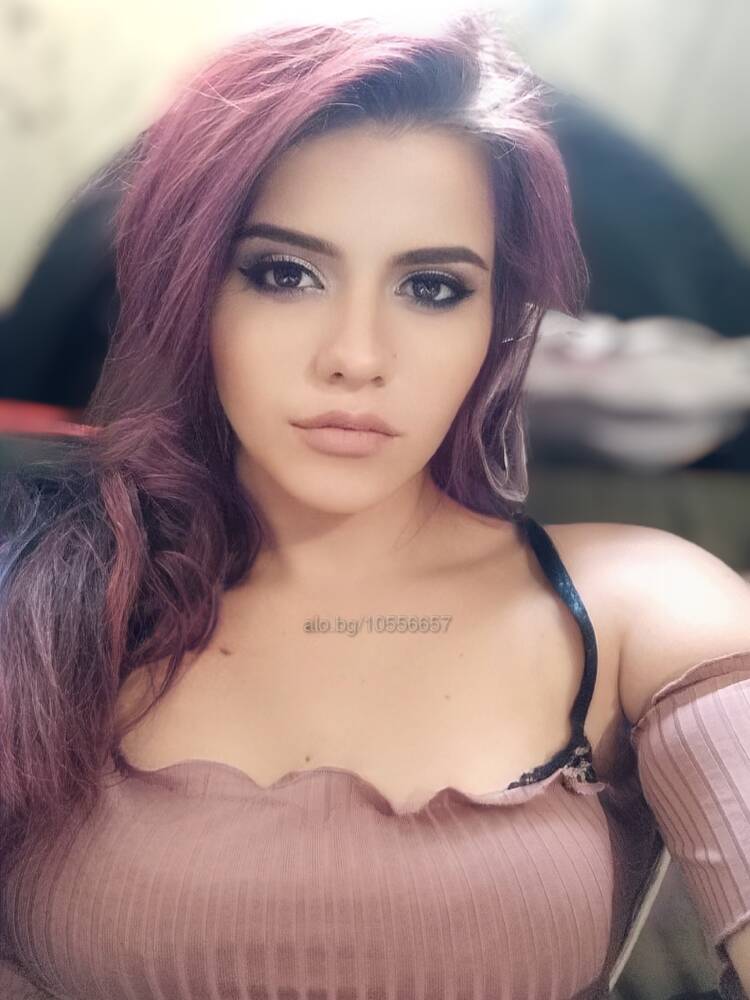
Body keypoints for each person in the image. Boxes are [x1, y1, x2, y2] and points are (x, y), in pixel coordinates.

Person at [1, 11, 749, 999]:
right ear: (189, 288)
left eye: (432, 287)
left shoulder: (643, 606)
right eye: (285, 273)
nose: (356, 356)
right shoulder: (35, 588)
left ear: (500, 320)